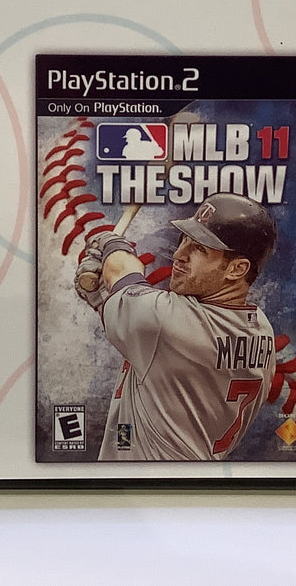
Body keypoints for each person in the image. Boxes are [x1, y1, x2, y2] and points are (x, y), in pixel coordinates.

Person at [75, 193, 278, 461]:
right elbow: (151, 336)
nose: (179, 254)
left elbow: (121, 270)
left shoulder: (165, 321)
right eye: (185, 240)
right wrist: (105, 298)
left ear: (237, 269)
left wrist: (110, 244)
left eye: (200, 249)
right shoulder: (261, 328)